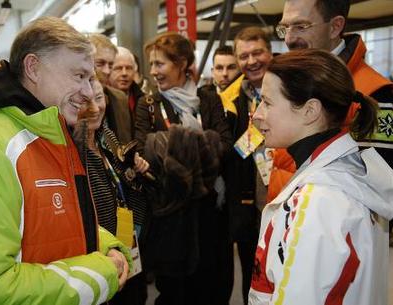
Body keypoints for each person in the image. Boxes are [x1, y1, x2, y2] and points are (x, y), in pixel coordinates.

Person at [0, 17, 131, 305]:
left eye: (90, 78)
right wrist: (100, 273)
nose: (87, 93)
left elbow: (56, 223)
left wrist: (108, 246)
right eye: (79, 76)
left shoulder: (48, 132)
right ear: (33, 68)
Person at [249, 49, 393, 305]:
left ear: (310, 111)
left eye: (267, 102)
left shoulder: (318, 203)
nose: (257, 115)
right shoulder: (347, 174)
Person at [277, 0, 393, 248]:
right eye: (285, 28)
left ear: (336, 26)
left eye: (301, 26)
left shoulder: (379, 96)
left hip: (331, 247)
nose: (289, 39)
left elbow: (380, 201)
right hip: (286, 227)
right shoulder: (295, 81)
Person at [134, 32, 232, 305]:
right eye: (151, 64)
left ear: (182, 63)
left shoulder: (208, 99)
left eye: (160, 64)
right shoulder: (149, 104)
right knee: (174, 291)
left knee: (211, 286)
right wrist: (200, 145)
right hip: (171, 214)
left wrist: (175, 148)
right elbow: (146, 152)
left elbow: (224, 144)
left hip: (210, 211)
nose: (153, 71)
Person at [70, 73, 150, 305]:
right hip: (99, 254)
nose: (95, 108)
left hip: (129, 243)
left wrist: (135, 172)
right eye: (86, 101)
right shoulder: (73, 150)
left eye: (99, 98)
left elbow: (127, 190)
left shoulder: (108, 137)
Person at [213, 26, 274, 305]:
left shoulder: (291, 87)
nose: (251, 61)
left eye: (257, 52)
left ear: (270, 52)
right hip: (250, 201)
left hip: (288, 192)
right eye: (244, 55)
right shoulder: (230, 100)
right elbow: (234, 151)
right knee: (253, 271)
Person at [89, 34, 132, 144]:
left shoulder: (120, 98)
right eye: (100, 63)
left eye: (111, 65)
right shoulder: (75, 99)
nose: (107, 71)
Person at [109, 46, 145, 136]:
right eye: (118, 68)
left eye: (129, 68)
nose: (124, 73)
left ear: (135, 70)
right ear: (109, 70)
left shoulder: (145, 100)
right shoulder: (102, 101)